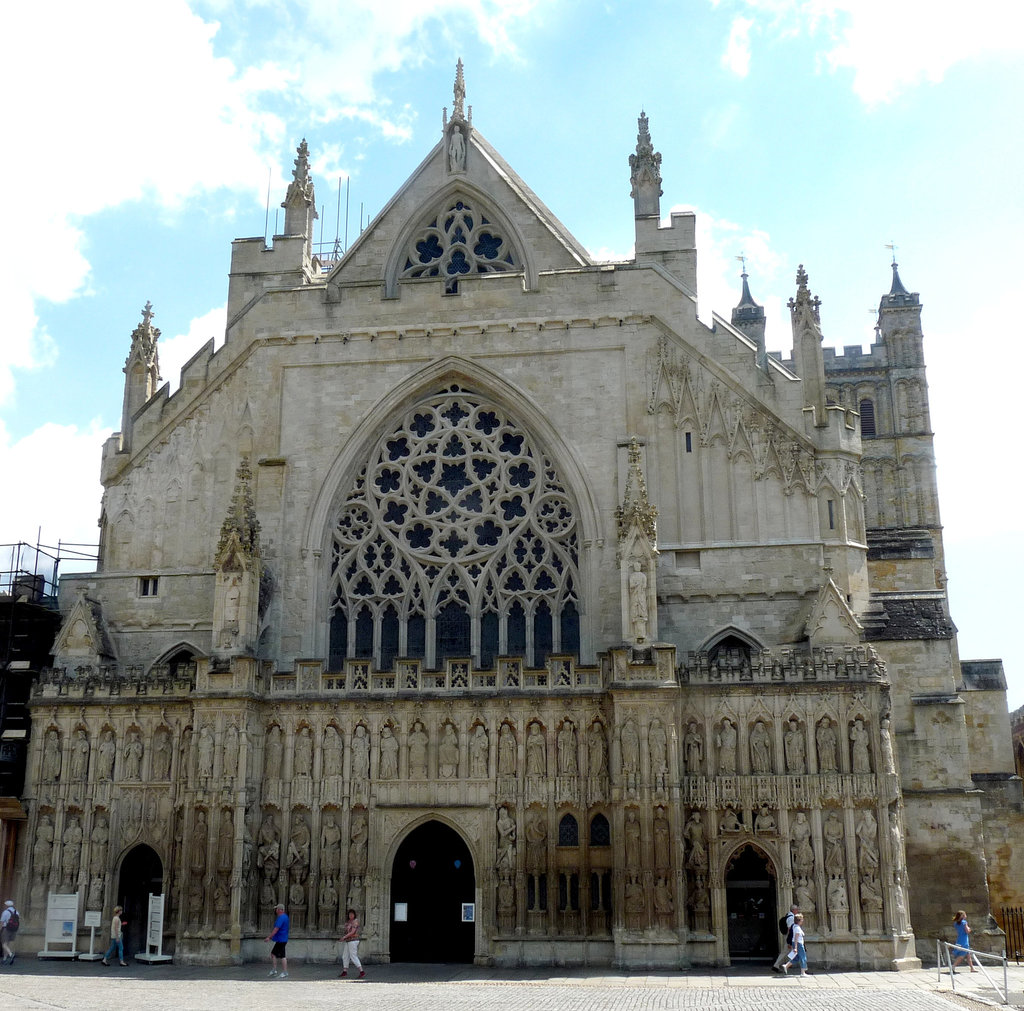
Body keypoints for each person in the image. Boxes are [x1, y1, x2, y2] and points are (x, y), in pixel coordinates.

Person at [338, 908, 365, 979]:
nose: (351, 915)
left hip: (353, 940)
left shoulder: (355, 921)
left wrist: (344, 937)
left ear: (354, 915)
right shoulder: (348, 922)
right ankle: (345, 971)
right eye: (350, 914)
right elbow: (346, 930)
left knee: (353, 956)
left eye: (352, 914)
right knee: (345, 956)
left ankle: (361, 971)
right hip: (348, 941)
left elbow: (352, 932)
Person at [781, 911, 809, 976]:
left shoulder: (794, 926)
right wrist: (795, 947)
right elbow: (796, 938)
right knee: (803, 957)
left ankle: (786, 965)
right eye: (802, 919)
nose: (803, 921)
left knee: (796, 958)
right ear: (799, 921)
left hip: (796, 943)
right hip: (798, 944)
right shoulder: (797, 928)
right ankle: (803, 972)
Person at [265, 903, 289, 978]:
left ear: (279, 910)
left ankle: (285, 972)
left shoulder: (281, 918)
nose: (275, 910)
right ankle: (274, 970)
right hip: (282, 939)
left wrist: (269, 937)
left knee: (282, 956)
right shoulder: (285, 917)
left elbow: (276, 929)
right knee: (273, 954)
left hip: (281, 939)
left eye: (276, 909)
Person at [772, 904, 798, 972]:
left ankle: (789, 964)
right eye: (796, 909)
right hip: (789, 937)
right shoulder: (791, 918)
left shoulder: (788, 916)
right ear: (794, 910)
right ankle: (776, 965)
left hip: (790, 937)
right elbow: (790, 929)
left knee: (792, 951)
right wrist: (789, 941)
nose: (797, 911)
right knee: (785, 951)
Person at [0, 900, 18, 965]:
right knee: (7, 944)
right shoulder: (16, 912)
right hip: (13, 929)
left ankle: (11, 954)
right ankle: (4, 959)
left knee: (4, 944)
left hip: (6, 929)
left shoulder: (5, 912)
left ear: (6, 905)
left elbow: (2, 922)